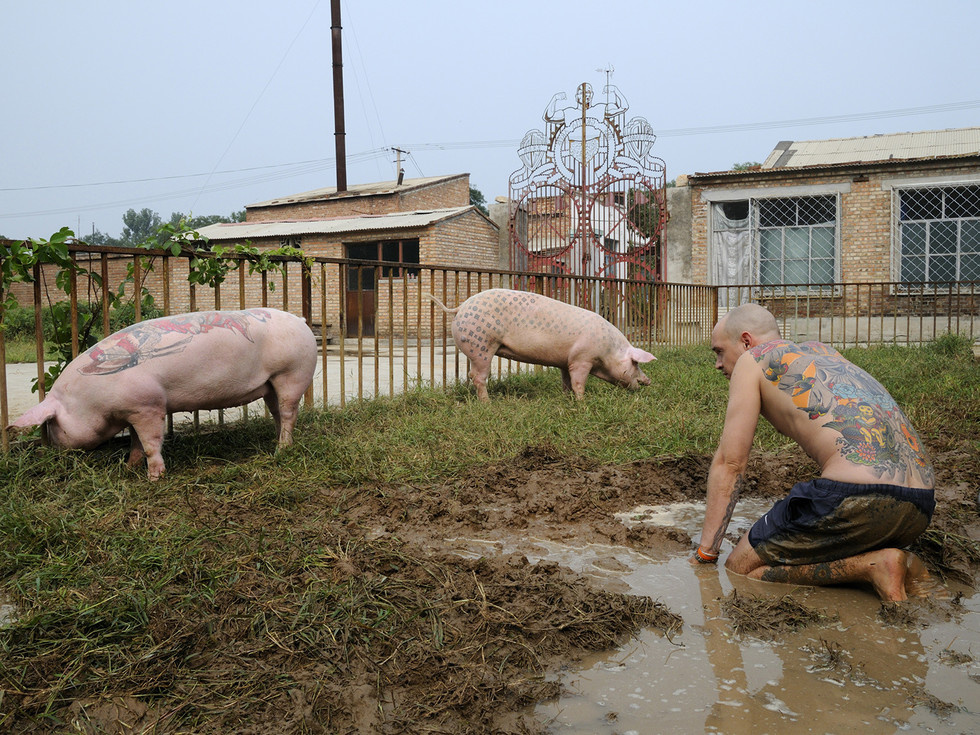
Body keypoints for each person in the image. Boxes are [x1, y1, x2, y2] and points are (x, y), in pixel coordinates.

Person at [693, 303, 944, 601]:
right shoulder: (825, 353)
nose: (718, 364)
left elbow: (731, 463)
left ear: (746, 342)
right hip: (920, 506)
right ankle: (903, 562)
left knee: (740, 568)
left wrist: (706, 554)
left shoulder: (753, 360)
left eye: (719, 351)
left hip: (856, 498)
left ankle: (873, 566)